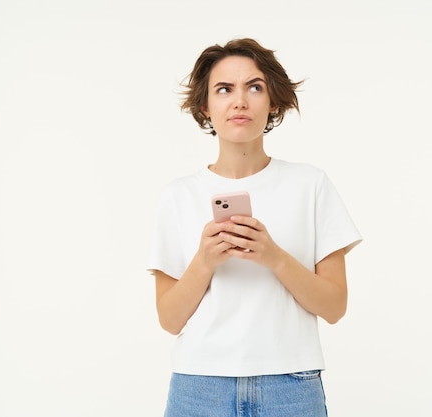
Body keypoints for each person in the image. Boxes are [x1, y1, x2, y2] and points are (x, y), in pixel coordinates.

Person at [147, 38, 362, 417]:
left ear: (273, 102)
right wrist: (204, 261)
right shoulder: (177, 196)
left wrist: (274, 257)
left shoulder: (310, 185)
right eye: (224, 89)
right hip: (200, 386)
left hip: (291, 385)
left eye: (255, 87)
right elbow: (169, 319)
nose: (239, 101)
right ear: (205, 106)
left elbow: (335, 307)